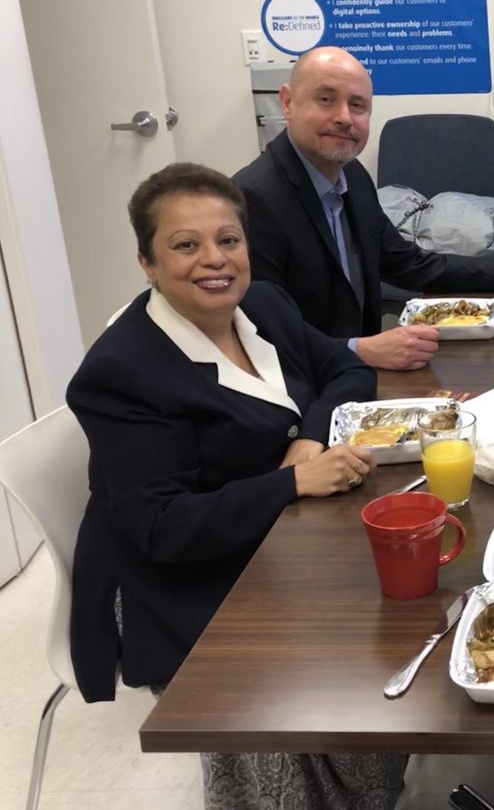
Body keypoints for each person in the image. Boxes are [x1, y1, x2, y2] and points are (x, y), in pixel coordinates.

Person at [67, 163, 405, 809]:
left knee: (391, 604)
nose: (214, 260)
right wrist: (293, 483)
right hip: (167, 576)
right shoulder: (123, 370)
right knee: (318, 655)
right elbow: (163, 526)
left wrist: (308, 434)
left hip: (265, 537)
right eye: (186, 245)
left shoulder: (263, 305)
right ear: (147, 261)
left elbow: (343, 368)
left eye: (229, 240)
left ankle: (367, 787)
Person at [233, 46, 494, 371]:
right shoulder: (251, 199)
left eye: (358, 105)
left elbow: (407, 263)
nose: (344, 117)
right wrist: (358, 350)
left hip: (359, 376)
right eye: (326, 99)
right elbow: (261, 334)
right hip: (303, 389)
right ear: (288, 102)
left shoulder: (352, 176)